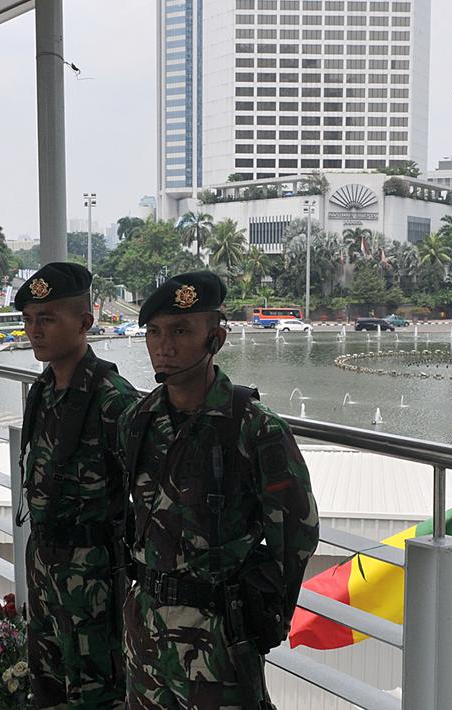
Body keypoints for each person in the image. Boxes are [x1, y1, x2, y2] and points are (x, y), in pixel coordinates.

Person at [118, 272, 319, 710]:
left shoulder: (255, 429)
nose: (163, 346)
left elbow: (297, 536)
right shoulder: (139, 421)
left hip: (217, 637)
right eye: (154, 331)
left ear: (217, 339)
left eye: (181, 331)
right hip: (145, 629)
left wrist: (264, 616)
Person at [15, 262, 140, 709]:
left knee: (97, 692)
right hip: (45, 562)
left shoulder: (113, 399)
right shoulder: (43, 391)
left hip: (93, 578)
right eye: (29, 319)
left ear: (85, 322)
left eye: (47, 318)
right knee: (45, 679)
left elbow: (146, 492)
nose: (34, 330)